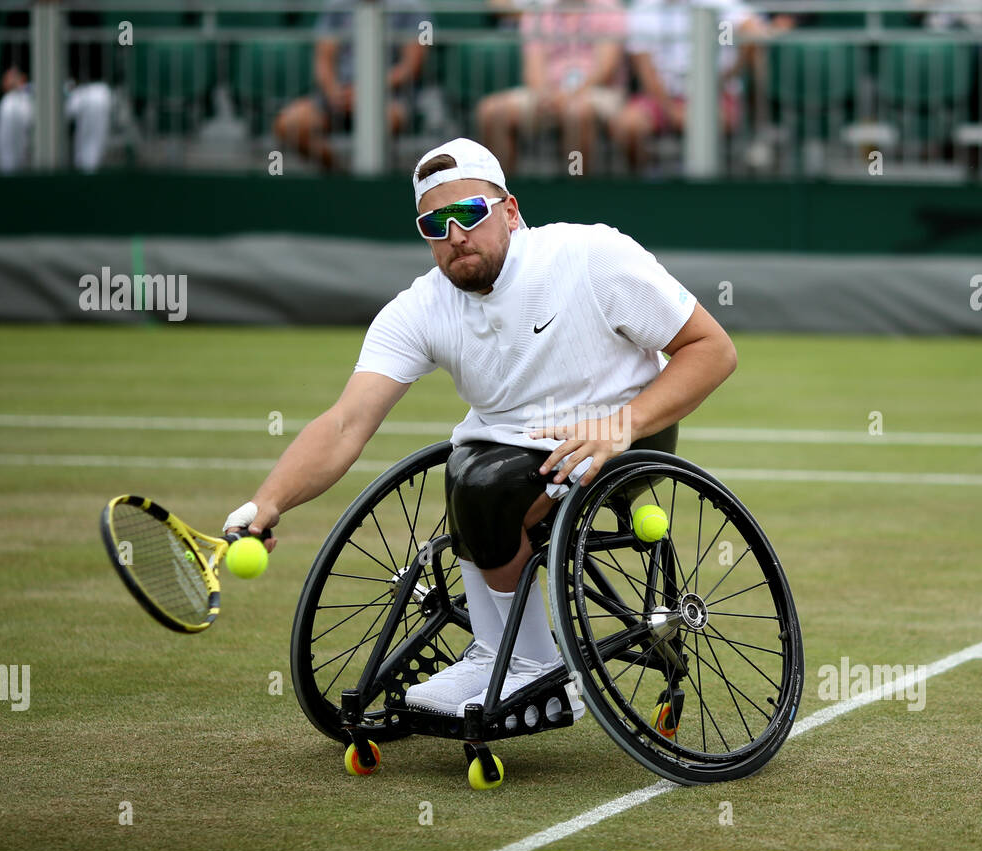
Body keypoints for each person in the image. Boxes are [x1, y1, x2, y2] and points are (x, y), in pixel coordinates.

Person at [223, 137, 737, 717]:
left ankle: (541, 669)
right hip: (509, 446)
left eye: (469, 214)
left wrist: (623, 424)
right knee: (468, 473)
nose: (454, 235)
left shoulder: (590, 256)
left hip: (630, 431)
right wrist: (266, 504)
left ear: (510, 212)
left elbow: (712, 350)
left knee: (483, 487)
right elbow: (345, 423)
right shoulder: (420, 308)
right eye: (433, 224)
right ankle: (497, 653)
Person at [475, 0, 626, 174]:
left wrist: (570, 96)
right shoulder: (537, 13)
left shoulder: (609, 9)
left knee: (576, 113)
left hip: (597, 92)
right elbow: (533, 69)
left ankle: (577, 189)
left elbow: (605, 69)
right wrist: (545, 95)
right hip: (546, 94)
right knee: (492, 111)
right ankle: (503, 194)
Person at [273, 0, 428, 170]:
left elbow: (410, 66)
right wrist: (333, 91)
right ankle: (339, 170)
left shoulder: (411, 7)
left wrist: (367, 92)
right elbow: (323, 60)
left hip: (390, 97)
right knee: (289, 124)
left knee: (386, 121)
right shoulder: (335, 6)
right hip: (337, 96)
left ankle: (366, 175)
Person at [611, 0, 762, 172]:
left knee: (707, 123)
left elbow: (753, 32)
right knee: (627, 125)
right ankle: (648, 183)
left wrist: (727, 77)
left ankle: (703, 188)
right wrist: (671, 109)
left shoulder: (721, 6)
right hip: (661, 98)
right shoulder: (644, 9)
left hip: (715, 98)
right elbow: (646, 70)